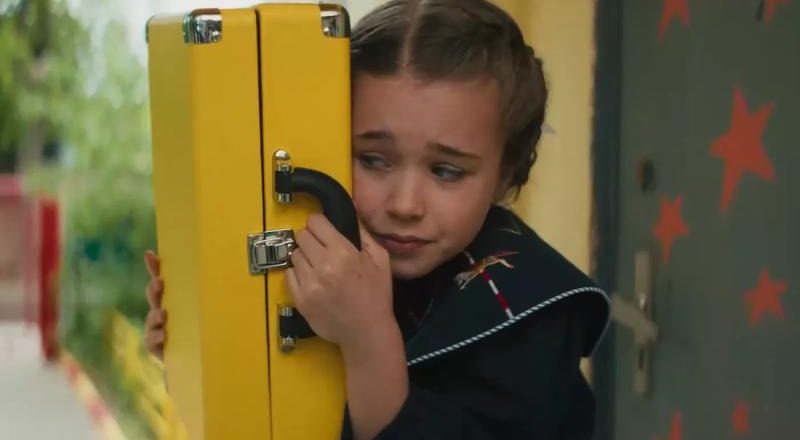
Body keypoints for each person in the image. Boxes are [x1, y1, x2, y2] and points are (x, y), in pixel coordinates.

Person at [143, 0, 610, 438]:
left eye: (446, 171)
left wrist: (368, 341)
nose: (405, 204)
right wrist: (192, 349)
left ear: (504, 173)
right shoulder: (333, 252)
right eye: (372, 160)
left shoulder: (534, 323)